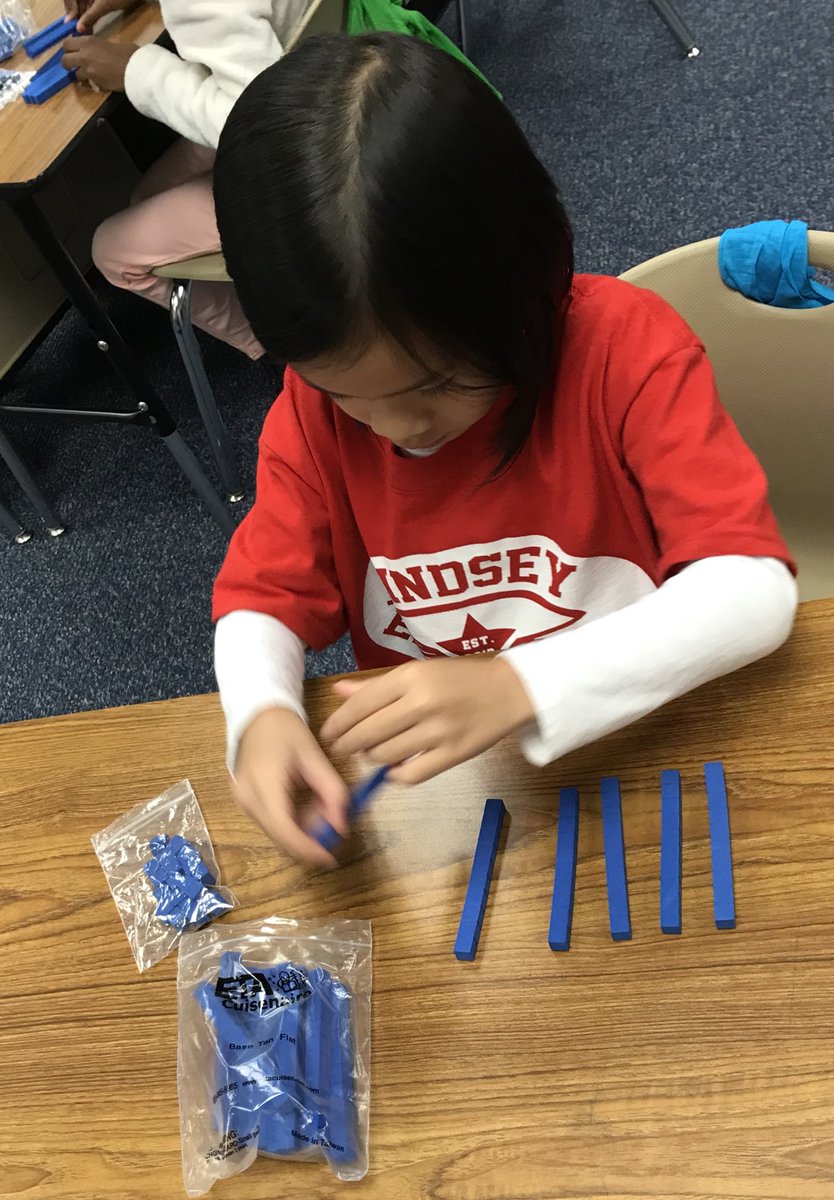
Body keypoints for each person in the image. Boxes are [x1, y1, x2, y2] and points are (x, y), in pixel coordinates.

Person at [210, 33, 798, 865]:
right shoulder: (313, 417)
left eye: (438, 385)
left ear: (523, 282)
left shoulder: (624, 352)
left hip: (648, 734)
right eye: (347, 393)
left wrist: (520, 684)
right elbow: (258, 602)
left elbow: (754, 592)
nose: (397, 428)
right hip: (469, 786)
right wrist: (260, 712)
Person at [61, 0, 312, 362]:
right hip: (326, 85)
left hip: (303, 163)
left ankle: (285, 351)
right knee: (149, 196)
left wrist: (136, 70)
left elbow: (258, 125)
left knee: (112, 250)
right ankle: (287, 298)